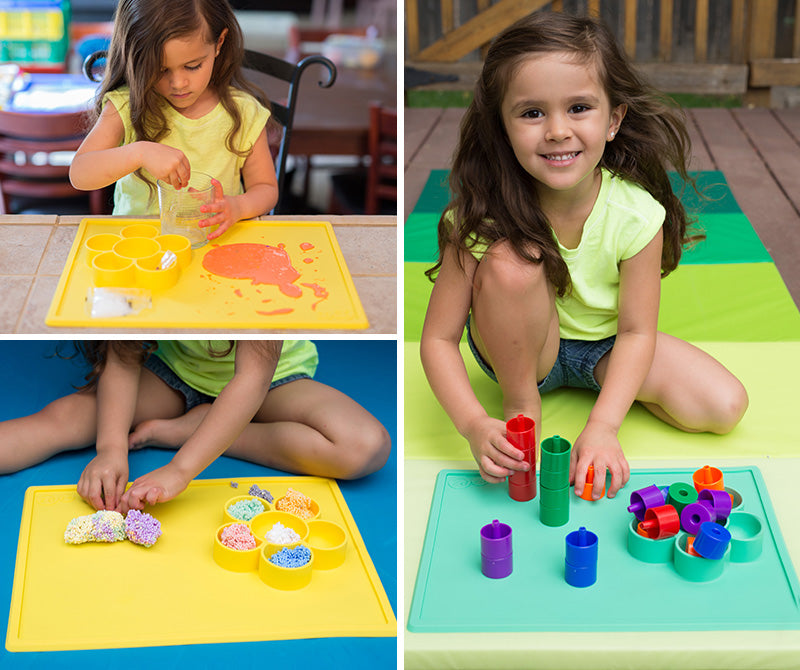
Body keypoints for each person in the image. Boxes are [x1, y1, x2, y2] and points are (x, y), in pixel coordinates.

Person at [420, 12, 748, 501]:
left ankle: (600, 391)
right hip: (520, 356)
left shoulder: (637, 215)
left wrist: (604, 425)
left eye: (578, 107)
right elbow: (439, 340)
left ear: (613, 120)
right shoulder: (478, 217)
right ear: (502, 127)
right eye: (532, 113)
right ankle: (522, 403)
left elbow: (637, 331)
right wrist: (472, 424)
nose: (556, 131)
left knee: (724, 406)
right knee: (513, 263)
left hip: (604, 348)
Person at [0, 341, 391, 514]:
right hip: (176, 374)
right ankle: (204, 425)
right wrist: (110, 448)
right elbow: (122, 358)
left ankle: (199, 429)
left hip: (271, 381)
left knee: (364, 446)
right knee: (64, 419)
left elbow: (252, 378)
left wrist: (181, 467)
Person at [69, 0, 277, 240]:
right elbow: (80, 173)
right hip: (139, 247)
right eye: (160, 69)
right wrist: (140, 153)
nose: (178, 83)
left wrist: (239, 207)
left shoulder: (243, 112)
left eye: (192, 66)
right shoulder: (127, 106)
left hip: (213, 247)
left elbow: (266, 189)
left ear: (219, 43)